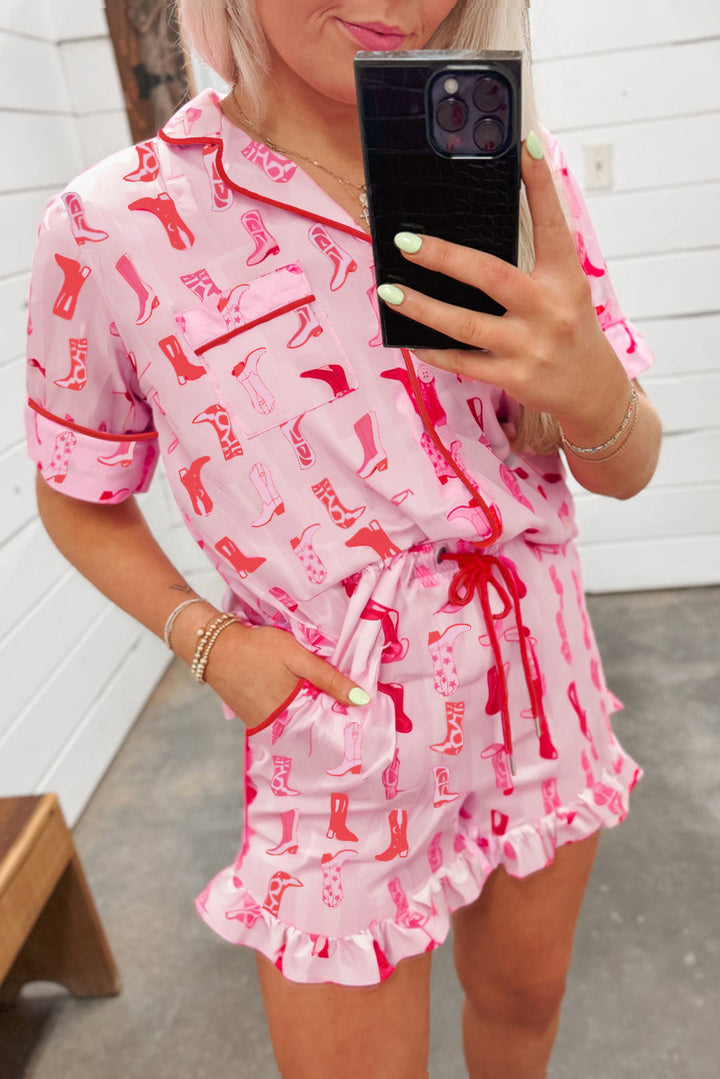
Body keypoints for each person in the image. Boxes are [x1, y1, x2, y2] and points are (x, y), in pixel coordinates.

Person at [24, 2, 662, 1076]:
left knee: (524, 1010)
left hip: (539, 675)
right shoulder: (113, 224)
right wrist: (212, 644)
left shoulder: (506, 167)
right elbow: (77, 492)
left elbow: (626, 465)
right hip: (340, 721)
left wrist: (591, 388)